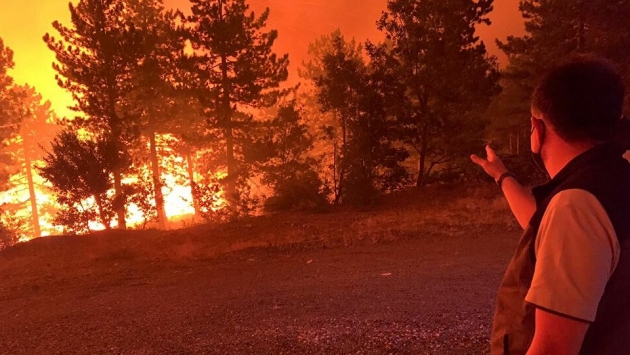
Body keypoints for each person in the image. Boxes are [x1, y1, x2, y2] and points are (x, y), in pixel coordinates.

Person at [471, 57, 630, 355]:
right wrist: (502, 176)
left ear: (537, 127)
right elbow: (542, 224)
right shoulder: (612, 181)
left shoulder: (577, 206)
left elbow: (553, 348)